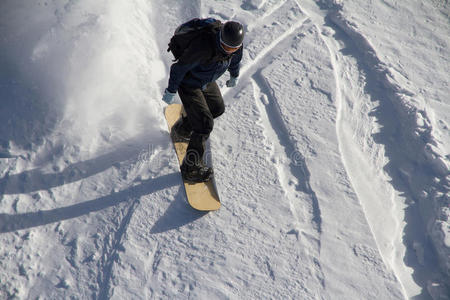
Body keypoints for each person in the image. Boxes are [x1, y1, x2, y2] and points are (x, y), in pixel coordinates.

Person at [162, 19, 244, 182]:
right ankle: (190, 169)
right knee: (205, 124)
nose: (229, 51)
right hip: (189, 82)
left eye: (233, 48)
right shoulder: (203, 48)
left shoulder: (235, 47)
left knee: (217, 108)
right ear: (220, 38)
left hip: (206, 80)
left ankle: (183, 129)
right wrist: (171, 91)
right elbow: (178, 68)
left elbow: (235, 59)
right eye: (226, 47)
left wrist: (234, 75)